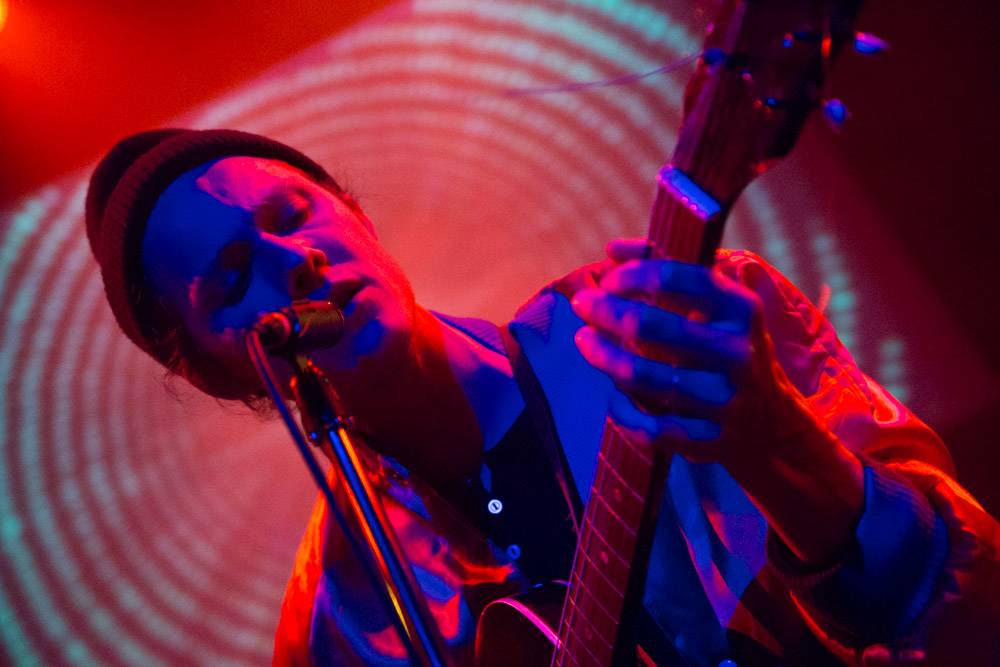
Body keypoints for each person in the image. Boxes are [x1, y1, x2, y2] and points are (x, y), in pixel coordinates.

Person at [85, 129, 1000, 666]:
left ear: (355, 213)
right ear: (216, 370)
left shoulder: (675, 326)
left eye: (294, 214)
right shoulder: (343, 620)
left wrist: (779, 445)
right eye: (231, 279)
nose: (294, 260)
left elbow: (973, 608)